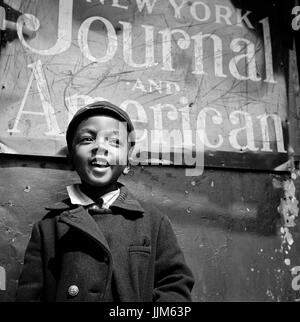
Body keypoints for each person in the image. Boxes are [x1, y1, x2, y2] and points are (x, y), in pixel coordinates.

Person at [16, 101, 195, 302]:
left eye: (115, 142)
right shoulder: (48, 227)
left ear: (128, 161)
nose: (100, 146)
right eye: (87, 139)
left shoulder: (154, 222)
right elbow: (29, 296)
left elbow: (175, 287)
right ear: (71, 156)